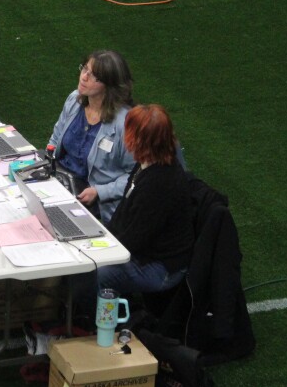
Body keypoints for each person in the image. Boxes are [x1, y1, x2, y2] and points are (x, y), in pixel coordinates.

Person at [99, 104, 194, 296]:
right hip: (144, 252)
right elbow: (125, 213)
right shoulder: (147, 164)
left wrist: (100, 251)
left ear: (139, 140)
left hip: (160, 267)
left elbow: (135, 239)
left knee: (94, 274)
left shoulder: (159, 184)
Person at [48, 50, 137, 223]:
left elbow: (135, 176)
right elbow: (56, 137)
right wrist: (47, 164)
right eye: (85, 69)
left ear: (110, 85)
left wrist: (100, 192)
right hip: (60, 179)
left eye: (94, 76)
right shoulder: (74, 100)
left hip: (93, 200)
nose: (84, 77)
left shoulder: (125, 123)